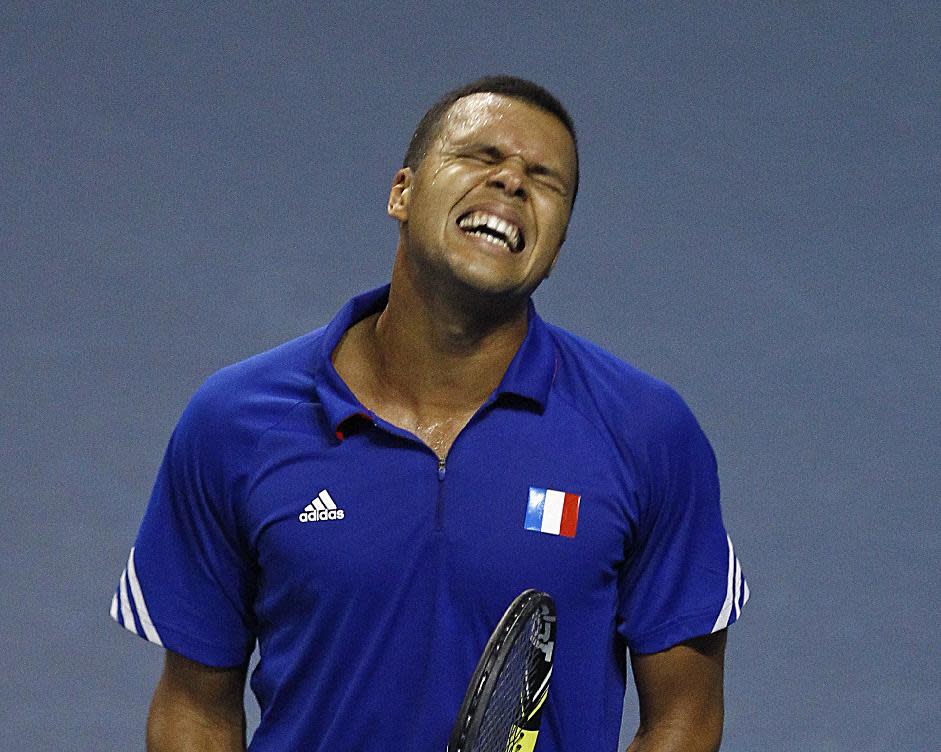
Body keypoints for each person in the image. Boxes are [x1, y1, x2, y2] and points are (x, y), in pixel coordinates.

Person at [111, 75, 748, 752]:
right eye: (479, 157)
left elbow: (682, 718)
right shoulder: (235, 424)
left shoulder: (645, 433)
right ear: (402, 193)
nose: (510, 183)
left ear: (555, 246)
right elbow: (195, 710)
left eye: (544, 179)